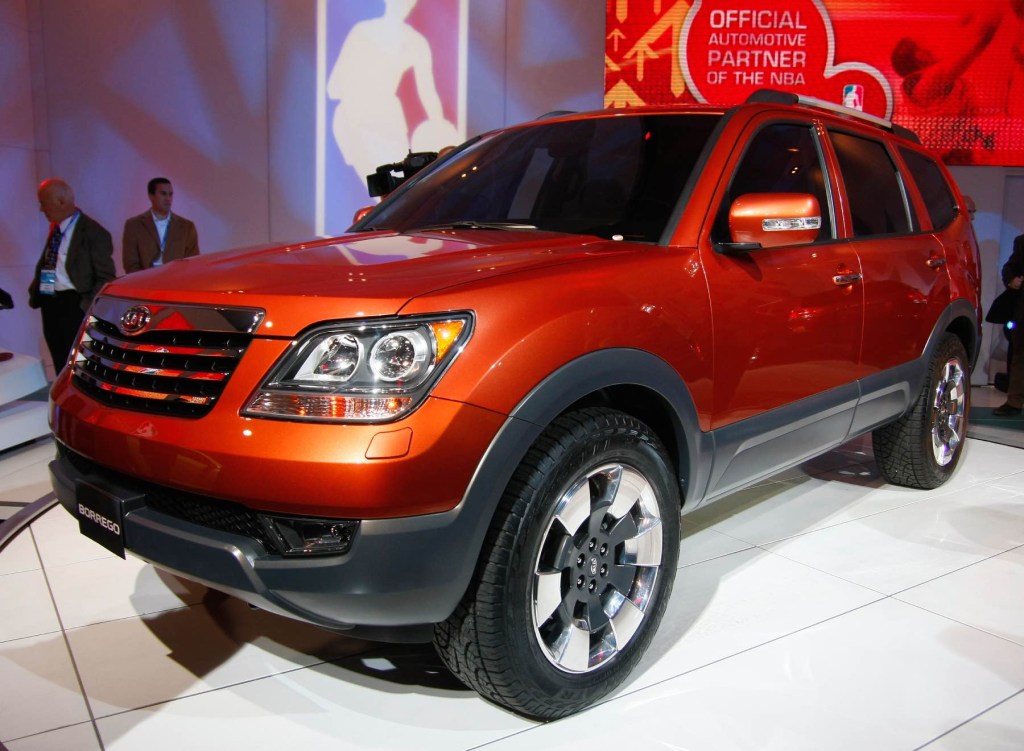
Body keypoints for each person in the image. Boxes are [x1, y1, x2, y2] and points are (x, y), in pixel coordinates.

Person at [28, 178, 115, 373]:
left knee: (80, 363)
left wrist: (85, 307)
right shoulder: (56, 229)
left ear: (61, 202)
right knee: (59, 360)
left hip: (75, 305)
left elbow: (106, 277)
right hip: (50, 303)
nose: (41, 209)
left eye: (44, 203)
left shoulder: (93, 232)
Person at [122, 177, 199, 272]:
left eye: (170, 194)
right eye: (163, 194)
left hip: (177, 279)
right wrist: (146, 280)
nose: (168, 198)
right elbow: (130, 264)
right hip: (145, 280)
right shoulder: (134, 225)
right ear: (151, 196)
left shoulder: (187, 227)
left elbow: (193, 262)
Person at [994, 233, 1024, 416]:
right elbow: (1010, 268)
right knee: (1020, 358)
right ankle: (1014, 402)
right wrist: (1011, 279)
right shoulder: (1022, 242)